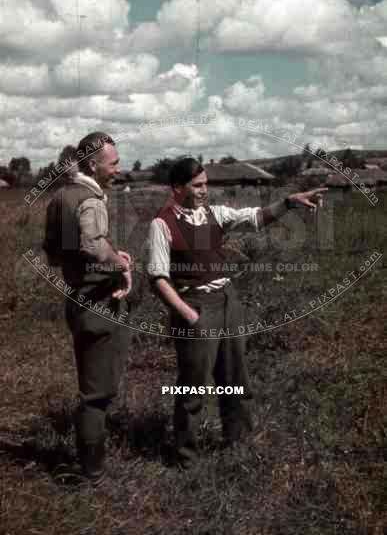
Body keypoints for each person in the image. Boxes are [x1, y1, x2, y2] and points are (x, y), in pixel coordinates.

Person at [147, 156, 326, 467]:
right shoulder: (161, 224)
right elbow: (158, 278)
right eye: (197, 185)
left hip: (228, 303)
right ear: (176, 188)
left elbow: (255, 218)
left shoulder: (214, 214)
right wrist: (190, 316)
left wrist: (288, 202)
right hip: (196, 307)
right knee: (193, 385)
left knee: (234, 377)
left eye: (206, 184)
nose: (205, 190)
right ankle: (185, 458)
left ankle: (238, 447)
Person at [43, 132, 132, 481]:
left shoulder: (60, 197)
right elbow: (94, 247)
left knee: (92, 384)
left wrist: (108, 253)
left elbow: (53, 253)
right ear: (93, 165)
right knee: (97, 394)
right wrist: (120, 264)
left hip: (77, 300)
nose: (119, 169)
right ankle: (92, 471)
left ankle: (90, 464)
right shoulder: (91, 199)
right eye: (114, 163)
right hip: (98, 304)